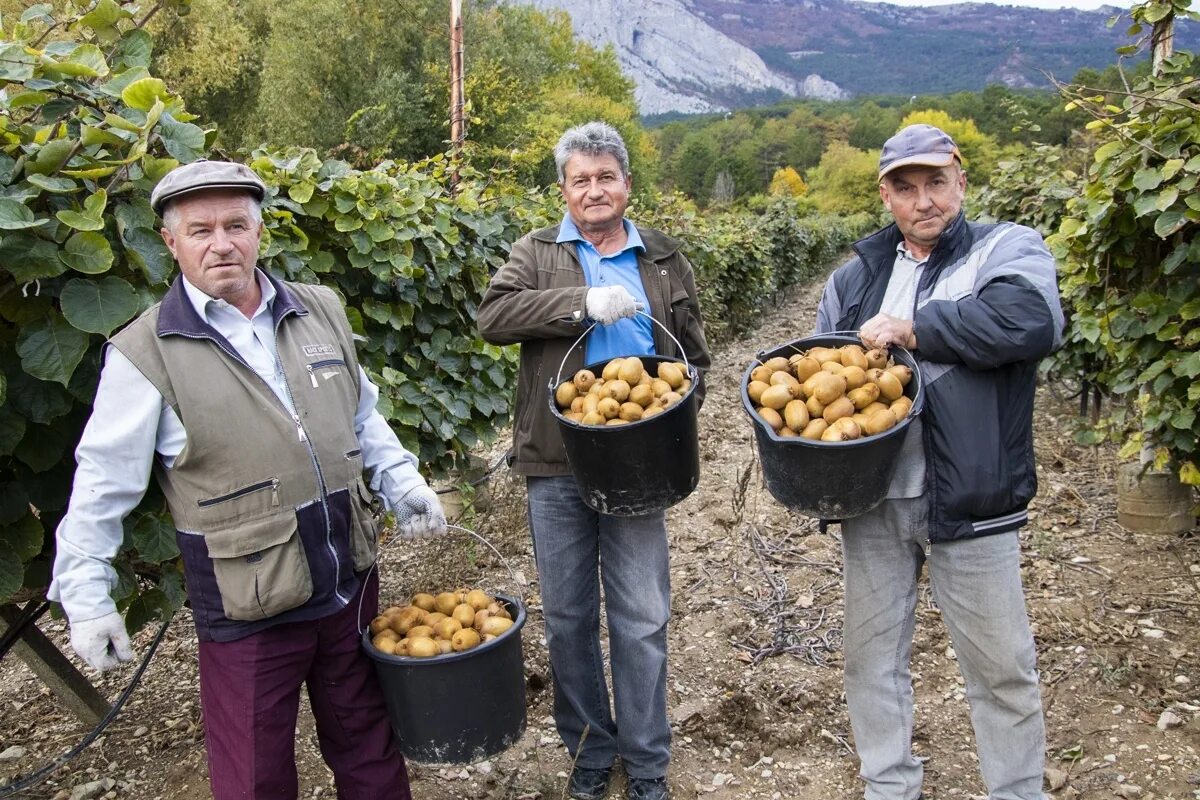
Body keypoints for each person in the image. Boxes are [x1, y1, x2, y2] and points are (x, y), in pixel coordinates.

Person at [48, 159, 447, 799]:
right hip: (249, 602)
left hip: (349, 578)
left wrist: (402, 482)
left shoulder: (318, 310)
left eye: (236, 224)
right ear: (170, 243)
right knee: (255, 773)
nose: (222, 243)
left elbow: (362, 413)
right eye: (200, 230)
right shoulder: (146, 353)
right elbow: (101, 483)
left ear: (259, 233)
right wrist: (88, 598)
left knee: (370, 742)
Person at [814, 124, 1063, 800]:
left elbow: (1029, 322)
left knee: (1000, 669)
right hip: (876, 498)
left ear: (960, 180)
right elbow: (817, 372)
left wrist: (914, 330)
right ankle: (889, 785)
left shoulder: (1005, 248)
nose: (923, 200)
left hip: (971, 496)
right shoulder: (856, 275)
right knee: (871, 661)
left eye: (935, 183)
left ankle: (1017, 791)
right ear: (885, 194)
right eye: (906, 187)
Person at [477, 122, 710, 800]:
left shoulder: (663, 257)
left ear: (627, 185)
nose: (595, 189)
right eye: (581, 179)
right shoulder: (537, 251)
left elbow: (694, 353)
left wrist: (676, 413)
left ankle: (646, 762)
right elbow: (493, 316)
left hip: (640, 456)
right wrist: (582, 303)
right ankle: (588, 747)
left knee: (640, 615)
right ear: (564, 190)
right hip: (558, 458)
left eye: (606, 176)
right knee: (572, 616)